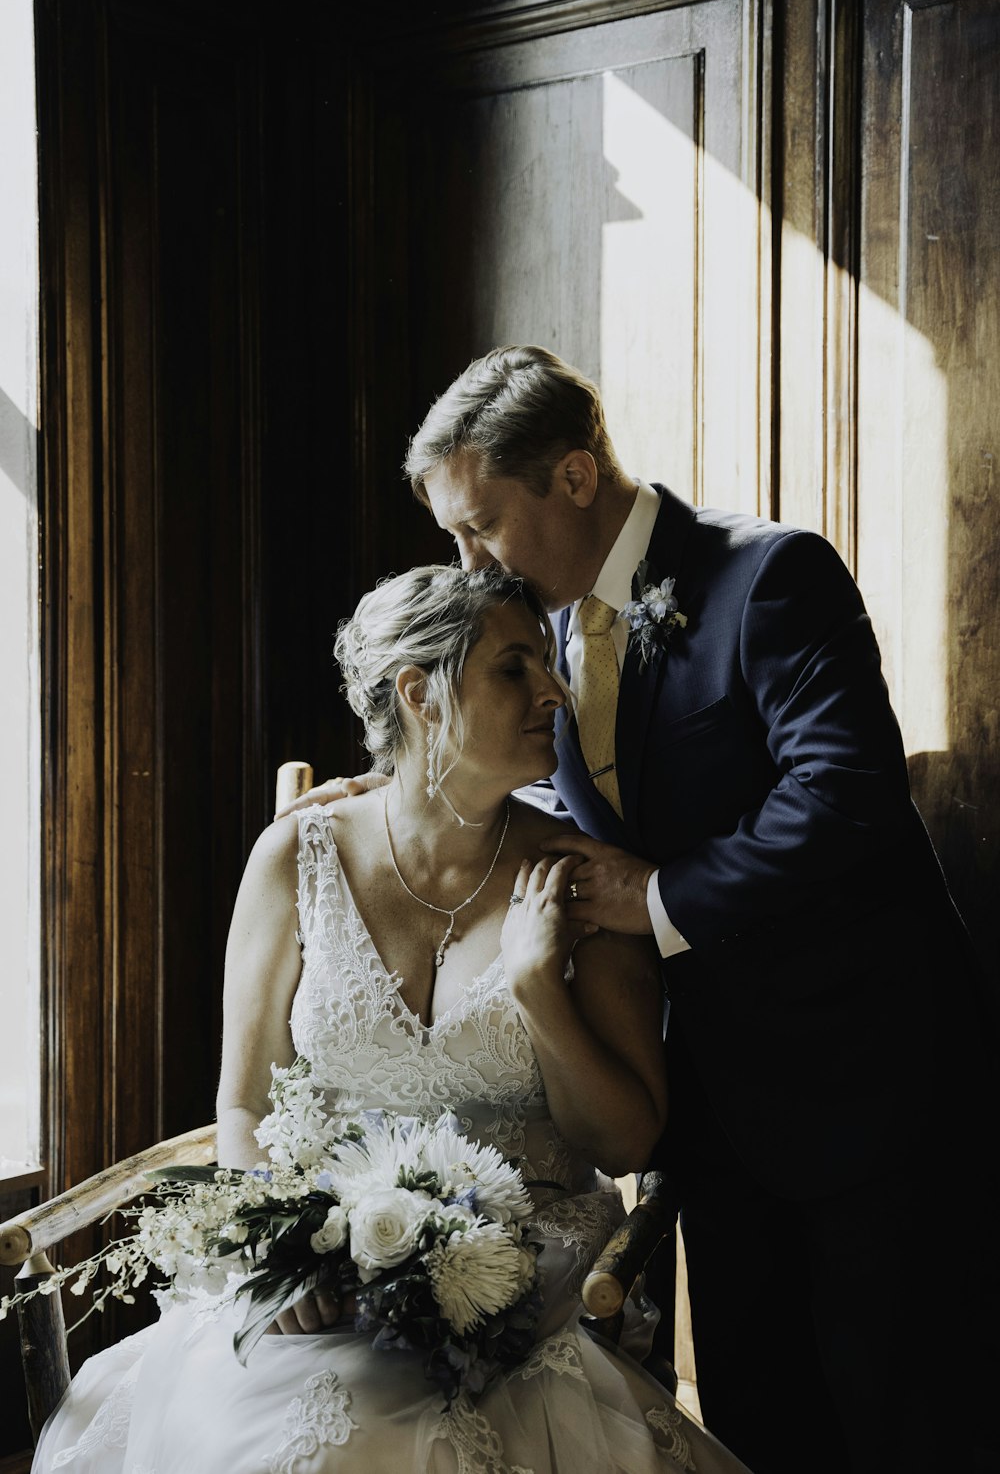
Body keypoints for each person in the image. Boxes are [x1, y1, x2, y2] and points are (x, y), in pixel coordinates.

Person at [286, 347, 995, 1474]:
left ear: (573, 479)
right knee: (767, 1431)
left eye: (480, 528)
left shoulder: (767, 577)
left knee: (910, 1425)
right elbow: (567, 786)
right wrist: (402, 780)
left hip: (868, 1095)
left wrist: (655, 896)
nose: (470, 565)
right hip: (715, 1117)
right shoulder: (552, 628)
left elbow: (845, 795)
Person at [32, 564, 756, 1474]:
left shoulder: (582, 879)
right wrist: (282, 1249)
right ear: (420, 693)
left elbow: (623, 1140)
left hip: (519, 1277)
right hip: (321, 1272)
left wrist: (538, 990)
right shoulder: (300, 855)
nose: (554, 690)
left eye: (547, 662)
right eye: (514, 667)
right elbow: (244, 1105)